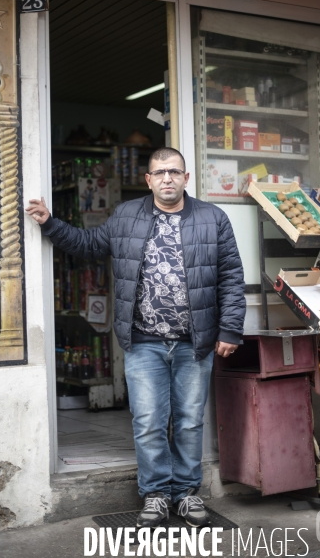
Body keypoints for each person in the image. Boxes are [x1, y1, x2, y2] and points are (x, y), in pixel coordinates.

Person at [26, 147, 246, 529]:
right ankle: (157, 495)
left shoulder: (214, 219)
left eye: (174, 172)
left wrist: (230, 328)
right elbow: (89, 245)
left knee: (190, 421)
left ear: (186, 178)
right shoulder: (127, 216)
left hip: (195, 343)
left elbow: (231, 277)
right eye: (160, 173)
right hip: (143, 341)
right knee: (148, 421)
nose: (167, 179)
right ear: (148, 179)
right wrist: (49, 223)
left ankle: (187, 494)